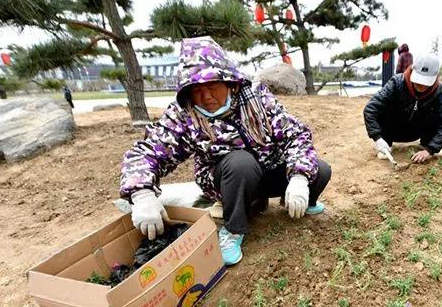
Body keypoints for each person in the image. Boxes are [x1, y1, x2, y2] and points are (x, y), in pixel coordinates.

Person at [120, 36, 331, 266]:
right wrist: (141, 194)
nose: (206, 97)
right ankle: (233, 229)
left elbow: (296, 134)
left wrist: (299, 178)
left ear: (230, 83)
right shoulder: (184, 115)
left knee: (320, 170)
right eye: (197, 90)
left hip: (267, 168)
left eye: (213, 86)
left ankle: (295, 200)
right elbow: (146, 152)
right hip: (228, 178)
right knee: (241, 163)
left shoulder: (258, 98)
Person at [363, 54, 442, 164]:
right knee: (382, 106)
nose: (421, 86)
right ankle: (386, 144)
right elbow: (370, 109)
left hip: (418, 131)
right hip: (393, 130)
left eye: (426, 83)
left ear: (436, 78)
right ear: (412, 71)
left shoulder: (439, 90)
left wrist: (431, 149)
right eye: (419, 81)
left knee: (439, 114)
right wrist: (377, 138)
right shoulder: (397, 82)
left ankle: (427, 144)